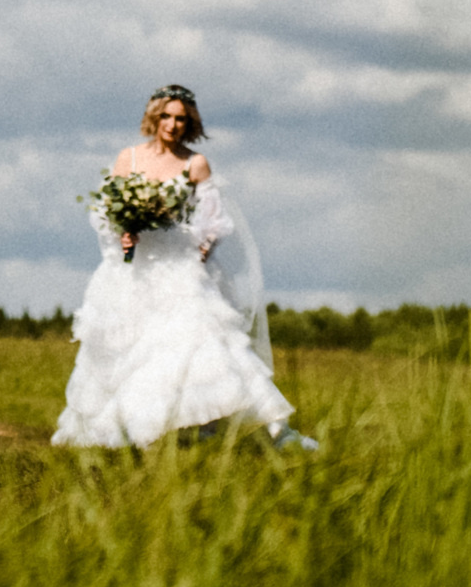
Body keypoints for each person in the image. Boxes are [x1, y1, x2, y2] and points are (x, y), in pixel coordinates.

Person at [52, 85, 313, 449]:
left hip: (179, 267)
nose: (173, 125)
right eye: (166, 117)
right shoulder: (127, 159)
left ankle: (218, 427)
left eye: (181, 119)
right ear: (154, 117)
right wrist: (123, 235)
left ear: (189, 123)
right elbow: (108, 214)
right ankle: (133, 430)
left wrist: (199, 254)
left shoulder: (195, 163)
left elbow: (214, 222)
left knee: (196, 343)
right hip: (134, 269)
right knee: (129, 349)